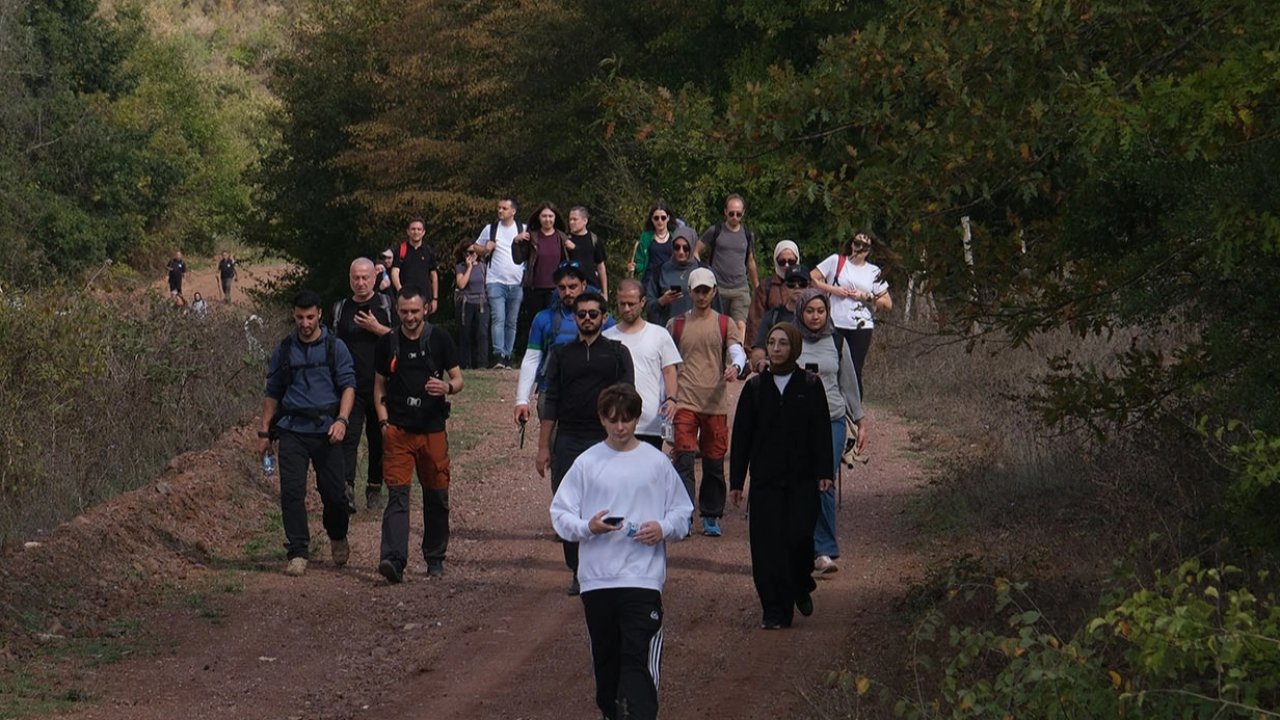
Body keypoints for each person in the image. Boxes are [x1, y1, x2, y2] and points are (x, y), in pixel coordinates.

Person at [550, 383, 692, 720]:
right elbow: (560, 514)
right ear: (602, 419)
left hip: (642, 581)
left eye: (626, 419)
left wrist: (662, 528)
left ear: (636, 418)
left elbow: (682, 514)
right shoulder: (586, 463)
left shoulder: (656, 463)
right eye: (613, 420)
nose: (620, 427)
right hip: (597, 582)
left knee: (637, 660)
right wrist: (588, 527)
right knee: (607, 663)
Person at [729, 322, 832, 629]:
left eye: (783, 343)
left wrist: (824, 471)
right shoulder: (755, 387)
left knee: (799, 540)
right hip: (766, 484)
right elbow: (742, 437)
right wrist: (737, 481)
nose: (775, 348)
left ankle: (801, 583)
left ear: (795, 347)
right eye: (771, 343)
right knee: (767, 550)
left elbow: (821, 432)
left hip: (802, 482)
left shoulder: (811, 386)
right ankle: (775, 610)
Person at [538, 292, 635, 595]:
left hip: (607, 440)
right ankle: (578, 570)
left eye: (594, 314)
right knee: (570, 506)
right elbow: (550, 401)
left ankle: (612, 565)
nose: (588, 319)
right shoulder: (562, 354)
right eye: (582, 314)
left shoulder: (618, 353)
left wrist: (626, 440)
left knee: (612, 502)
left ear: (604, 316)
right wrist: (543, 447)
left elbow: (629, 399)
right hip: (568, 438)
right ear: (575, 317)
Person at [257, 290, 356, 577]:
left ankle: (337, 535)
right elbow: (272, 392)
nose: (305, 323)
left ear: (320, 315)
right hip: (292, 430)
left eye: (310, 317)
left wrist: (342, 420)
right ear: (293, 315)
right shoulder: (285, 349)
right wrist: (264, 432)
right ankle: (298, 550)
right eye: (300, 317)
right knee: (291, 492)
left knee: (335, 495)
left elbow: (349, 386)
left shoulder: (335, 348)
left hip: (328, 430)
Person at [373, 286, 463, 582]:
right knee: (397, 496)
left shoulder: (440, 339)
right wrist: (384, 423)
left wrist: (447, 387)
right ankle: (393, 560)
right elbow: (379, 386)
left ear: (425, 309)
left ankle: (434, 558)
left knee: (436, 495)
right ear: (397, 311)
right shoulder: (388, 342)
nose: (409, 317)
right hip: (398, 430)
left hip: (432, 430)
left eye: (414, 311)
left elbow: (458, 378)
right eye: (404, 312)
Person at [664, 268, 747, 537]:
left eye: (706, 290)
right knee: (684, 460)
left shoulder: (725, 324)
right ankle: (684, 513)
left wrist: (735, 366)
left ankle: (711, 514)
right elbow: (665, 364)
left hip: (714, 402)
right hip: (684, 401)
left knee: (713, 462)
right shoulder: (675, 324)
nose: (701, 295)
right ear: (690, 291)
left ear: (714, 292)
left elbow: (737, 350)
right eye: (697, 290)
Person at [794, 289, 867, 575]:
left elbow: (849, 383)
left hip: (832, 419)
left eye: (820, 311)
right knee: (798, 481)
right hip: (796, 422)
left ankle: (823, 550)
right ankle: (799, 546)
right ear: (801, 312)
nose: (815, 316)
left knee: (823, 479)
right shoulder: (791, 339)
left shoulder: (837, 342)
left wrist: (860, 421)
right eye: (810, 311)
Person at [333, 258, 396, 512]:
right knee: (348, 437)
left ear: (374, 278)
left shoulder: (385, 304)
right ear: (350, 279)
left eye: (365, 277)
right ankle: (346, 489)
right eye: (356, 278)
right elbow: (333, 345)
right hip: (350, 386)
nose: (360, 282)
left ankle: (374, 488)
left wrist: (376, 327)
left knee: (378, 439)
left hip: (381, 384)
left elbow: (402, 339)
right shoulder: (340, 308)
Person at [513, 264, 608, 426]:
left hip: (593, 394)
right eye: (562, 288)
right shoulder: (543, 319)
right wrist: (522, 400)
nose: (568, 292)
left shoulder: (603, 319)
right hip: (550, 393)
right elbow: (532, 359)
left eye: (573, 287)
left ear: (583, 285)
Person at [810, 230, 893, 397]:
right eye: (857, 243)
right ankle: (829, 406)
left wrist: (865, 296)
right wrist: (833, 289)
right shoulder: (836, 261)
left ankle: (855, 413)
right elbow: (812, 278)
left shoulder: (873, 272)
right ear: (851, 243)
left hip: (861, 326)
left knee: (854, 371)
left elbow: (887, 303)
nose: (860, 248)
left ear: (870, 250)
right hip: (835, 323)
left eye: (865, 246)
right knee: (831, 367)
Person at [603, 279, 681, 450]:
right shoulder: (607, 338)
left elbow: (669, 371)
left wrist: (671, 399)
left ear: (643, 302)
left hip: (650, 422)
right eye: (622, 304)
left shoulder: (659, 335)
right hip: (617, 421)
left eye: (631, 304)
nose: (626, 309)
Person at [695, 194, 759, 338]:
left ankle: (737, 358)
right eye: (731, 213)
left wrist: (757, 287)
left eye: (738, 214)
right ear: (725, 212)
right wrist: (703, 274)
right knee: (716, 327)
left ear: (743, 213)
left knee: (740, 326)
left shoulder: (748, 234)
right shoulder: (715, 230)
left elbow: (750, 261)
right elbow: (696, 251)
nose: (734, 217)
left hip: (740, 288)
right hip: (718, 288)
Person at [476, 197, 526, 368]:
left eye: (504, 208)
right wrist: (486, 248)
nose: (500, 211)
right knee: (499, 318)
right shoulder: (491, 229)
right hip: (495, 280)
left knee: (512, 321)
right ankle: (498, 355)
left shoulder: (522, 229)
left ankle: (508, 355)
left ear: (513, 211)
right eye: (499, 208)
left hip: (517, 281)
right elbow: (476, 248)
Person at [749, 264, 811, 372]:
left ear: (809, 286)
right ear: (785, 287)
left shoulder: (818, 319)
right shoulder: (772, 316)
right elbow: (758, 348)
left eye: (802, 283)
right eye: (791, 283)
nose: (797, 287)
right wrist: (760, 361)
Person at [644, 227, 709, 327]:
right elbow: (648, 305)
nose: (681, 252)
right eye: (677, 247)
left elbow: (715, 306)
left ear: (692, 247)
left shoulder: (703, 271)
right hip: (667, 331)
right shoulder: (660, 271)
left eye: (685, 248)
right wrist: (662, 301)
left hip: (697, 331)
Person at [513, 201, 571, 314]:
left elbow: (570, 263)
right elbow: (518, 259)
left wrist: (574, 248)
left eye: (550, 216)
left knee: (554, 323)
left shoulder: (562, 237)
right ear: (539, 218)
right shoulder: (531, 237)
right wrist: (516, 242)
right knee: (535, 322)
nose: (547, 219)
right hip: (534, 289)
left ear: (555, 218)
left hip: (556, 289)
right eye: (544, 216)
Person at [745, 240, 800, 353]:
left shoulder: (807, 285)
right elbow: (755, 320)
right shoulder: (766, 287)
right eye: (782, 261)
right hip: (772, 348)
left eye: (791, 261)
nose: (786, 265)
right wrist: (754, 352)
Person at [390, 217, 439, 316]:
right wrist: (401, 291)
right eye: (413, 229)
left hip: (424, 298)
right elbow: (395, 272)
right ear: (408, 231)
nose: (416, 232)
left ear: (423, 232)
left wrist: (435, 298)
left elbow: (433, 275)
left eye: (419, 229)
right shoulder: (401, 250)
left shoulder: (428, 251)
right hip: (405, 298)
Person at [453, 239, 489, 369]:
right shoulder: (460, 267)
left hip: (481, 301)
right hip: (466, 302)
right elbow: (461, 284)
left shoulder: (483, 266)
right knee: (465, 333)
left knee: (482, 333)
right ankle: (465, 363)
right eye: (469, 252)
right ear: (463, 253)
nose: (472, 255)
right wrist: (469, 267)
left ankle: (482, 363)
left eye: (475, 252)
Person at [566, 206, 608, 298]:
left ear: (585, 221)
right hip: (571, 288)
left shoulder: (594, 239)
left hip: (592, 287)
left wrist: (605, 293)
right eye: (570, 220)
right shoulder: (565, 239)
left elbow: (601, 267)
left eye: (575, 219)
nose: (571, 222)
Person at [629, 200, 675, 283]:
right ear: (652, 219)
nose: (660, 221)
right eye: (656, 218)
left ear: (668, 218)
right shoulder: (645, 237)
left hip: (669, 280)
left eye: (663, 218)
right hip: (650, 281)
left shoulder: (675, 238)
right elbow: (641, 262)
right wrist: (634, 267)